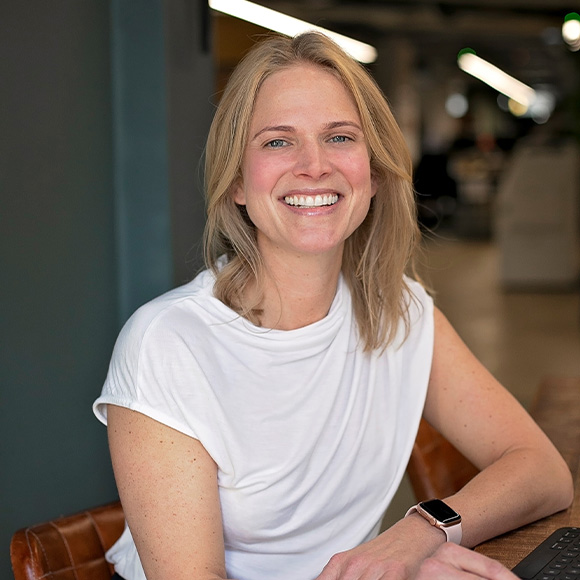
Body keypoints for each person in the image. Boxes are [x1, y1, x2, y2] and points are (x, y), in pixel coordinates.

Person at [93, 31, 573, 580]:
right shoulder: (168, 344)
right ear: (237, 185)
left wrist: (419, 536)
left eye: (340, 137)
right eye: (277, 142)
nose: (314, 165)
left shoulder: (398, 312)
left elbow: (543, 471)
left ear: (373, 173)